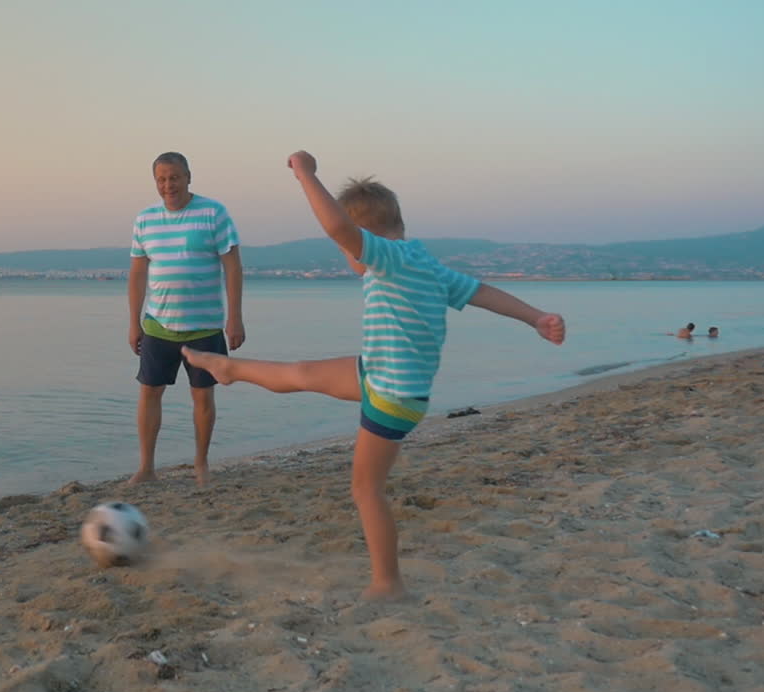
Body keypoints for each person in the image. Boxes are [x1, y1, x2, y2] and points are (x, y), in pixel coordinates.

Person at [182, 150, 566, 601]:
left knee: (366, 489)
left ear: (362, 241)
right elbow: (480, 292)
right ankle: (229, 369)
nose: (348, 259)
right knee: (302, 372)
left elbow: (338, 228)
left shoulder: (388, 258)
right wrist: (535, 317)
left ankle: (388, 583)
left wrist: (306, 175)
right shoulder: (425, 263)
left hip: (391, 396)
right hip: (379, 375)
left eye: (347, 252)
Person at [128, 152, 244, 488]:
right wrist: (133, 322)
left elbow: (233, 266)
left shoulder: (213, 213)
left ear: (188, 177)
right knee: (149, 392)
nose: (168, 185)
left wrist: (234, 318)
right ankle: (147, 467)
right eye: (161, 179)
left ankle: (201, 464)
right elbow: (137, 272)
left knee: (203, 396)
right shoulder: (145, 220)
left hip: (205, 325)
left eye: (174, 177)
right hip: (157, 325)